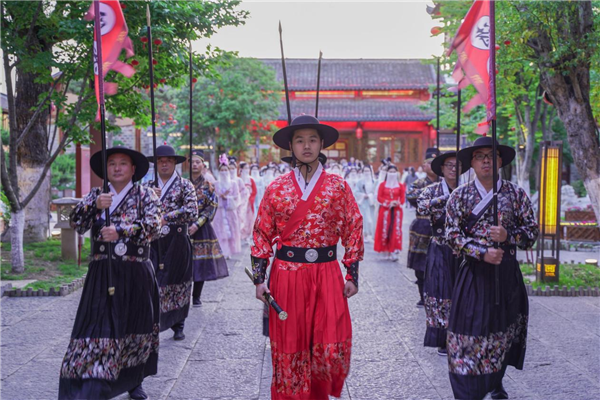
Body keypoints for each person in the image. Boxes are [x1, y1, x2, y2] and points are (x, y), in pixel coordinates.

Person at [251, 114, 363, 400]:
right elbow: (262, 233)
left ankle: (318, 394)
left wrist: (352, 273)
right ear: (291, 145)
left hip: (326, 272)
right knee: (290, 341)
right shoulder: (276, 187)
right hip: (287, 273)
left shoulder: (338, 186)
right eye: (300, 140)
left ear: (322, 143)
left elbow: (353, 226)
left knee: (328, 343)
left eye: (312, 139)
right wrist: (259, 280)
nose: (307, 146)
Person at [59, 146, 160, 400]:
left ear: (133, 169)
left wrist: (121, 231)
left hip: (135, 271)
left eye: (123, 163)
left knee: (134, 327)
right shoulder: (97, 194)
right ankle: (89, 385)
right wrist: (93, 206)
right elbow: (74, 222)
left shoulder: (145, 195)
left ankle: (133, 379)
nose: (116, 168)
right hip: (102, 273)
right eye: (112, 163)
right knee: (96, 326)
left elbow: (155, 226)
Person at [446, 136, 539, 400]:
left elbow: (531, 233)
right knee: (469, 329)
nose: (486, 160)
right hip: (474, 274)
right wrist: (481, 251)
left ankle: (495, 381)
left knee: (503, 329)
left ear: (499, 161)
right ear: (472, 163)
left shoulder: (515, 194)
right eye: (480, 156)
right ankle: (467, 389)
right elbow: (451, 235)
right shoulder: (460, 195)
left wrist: (508, 235)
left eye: (492, 155)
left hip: (507, 272)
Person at [145, 144, 198, 341]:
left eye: (168, 160)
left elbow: (192, 211)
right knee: (155, 281)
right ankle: (154, 321)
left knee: (178, 282)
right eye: (160, 160)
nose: (164, 164)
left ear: (175, 162)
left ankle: (179, 323)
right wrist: (152, 200)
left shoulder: (185, 185)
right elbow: (140, 211)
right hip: (155, 240)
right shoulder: (149, 187)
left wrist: (167, 217)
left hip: (177, 240)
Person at [417, 151, 462, 356]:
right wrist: (447, 198)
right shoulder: (432, 190)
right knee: (440, 292)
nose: (453, 168)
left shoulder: (467, 191)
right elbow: (422, 207)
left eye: (457, 165)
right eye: (449, 165)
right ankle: (443, 337)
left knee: (462, 292)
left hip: (463, 249)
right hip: (439, 245)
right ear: (442, 169)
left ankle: (461, 334)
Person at [188, 150, 229, 307]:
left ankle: (196, 296)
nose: (195, 165)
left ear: (203, 165)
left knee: (201, 263)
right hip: (184, 228)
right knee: (184, 263)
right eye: (192, 162)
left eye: (197, 162)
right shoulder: (183, 184)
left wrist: (197, 224)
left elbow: (211, 207)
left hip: (201, 228)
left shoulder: (209, 186)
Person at [406, 148, 440, 307]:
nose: (431, 166)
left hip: (441, 226)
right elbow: (410, 196)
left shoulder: (447, 182)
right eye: (428, 163)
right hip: (422, 226)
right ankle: (422, 295)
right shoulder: (419, 183)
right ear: (424, 166)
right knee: (420, 262)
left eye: (435, 163)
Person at [374, 164, 405, 261]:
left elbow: (403, 198)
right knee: (385, 229)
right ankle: (385, 250)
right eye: (390, 172)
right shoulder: (382, 185)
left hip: (397, 211)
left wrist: (396, 203)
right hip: (385, 211)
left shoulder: (400, 185)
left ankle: (394, 250)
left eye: (394, 172)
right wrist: (388, 203)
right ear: (387, 173)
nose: (392, 174)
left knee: (396, 230)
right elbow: (379, 197)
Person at [213, 155, 241, 258]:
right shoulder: (215, 184)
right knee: (220, 231)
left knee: (231, 232)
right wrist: (220, 197)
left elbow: (237, 197)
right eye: (222, 170)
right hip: (219, 212)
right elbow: (213, 198)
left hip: (230, 211)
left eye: (226, 170)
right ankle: (221, 251)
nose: (224, 172)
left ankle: (229, 251)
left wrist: (227, 198)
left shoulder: (233, 184)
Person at [356, 165, 376, 243]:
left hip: (372, 203)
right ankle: (365, 234)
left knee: (372, 219)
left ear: (371, 172)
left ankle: (373, 235)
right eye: (365, 171)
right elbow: (356, 191)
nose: (367, 173)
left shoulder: (374, 181)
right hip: (363, 202)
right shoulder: (360, 182)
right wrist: (363, 195)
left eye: (368, 171)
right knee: (364, 219)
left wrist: (370, 195)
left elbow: (376, 192)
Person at [239, 161, 257, 242]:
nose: (247, 170)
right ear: (241, 169)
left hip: (249, 202)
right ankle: (241, 234)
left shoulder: (251, 179)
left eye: (248, 168)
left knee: (249, 218)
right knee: (240, 218)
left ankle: (248, 234)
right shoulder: (238, 179)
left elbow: (254, 191)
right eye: (245, 168)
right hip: (240, 201)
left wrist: (251, 199)